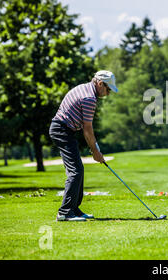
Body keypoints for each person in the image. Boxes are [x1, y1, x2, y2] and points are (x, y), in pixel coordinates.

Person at [49, 70, 118, 221]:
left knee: (77, 169)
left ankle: (73, 208)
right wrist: (96, 152)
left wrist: (95, 150)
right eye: (108, 89)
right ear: (100, 84)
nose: (108, 94)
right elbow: (88, 129)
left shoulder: (85, 88)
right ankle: (65, 212)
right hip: (62, 130)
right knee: (76, 171)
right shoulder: (89, 98)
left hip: (64, 129)